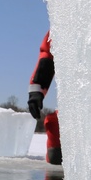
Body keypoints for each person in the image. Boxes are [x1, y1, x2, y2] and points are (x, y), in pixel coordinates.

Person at [26, 30, 62, 165]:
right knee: (55, 152)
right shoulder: (70, 19)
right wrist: (36, 90)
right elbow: (48, 54)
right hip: (78, 110)